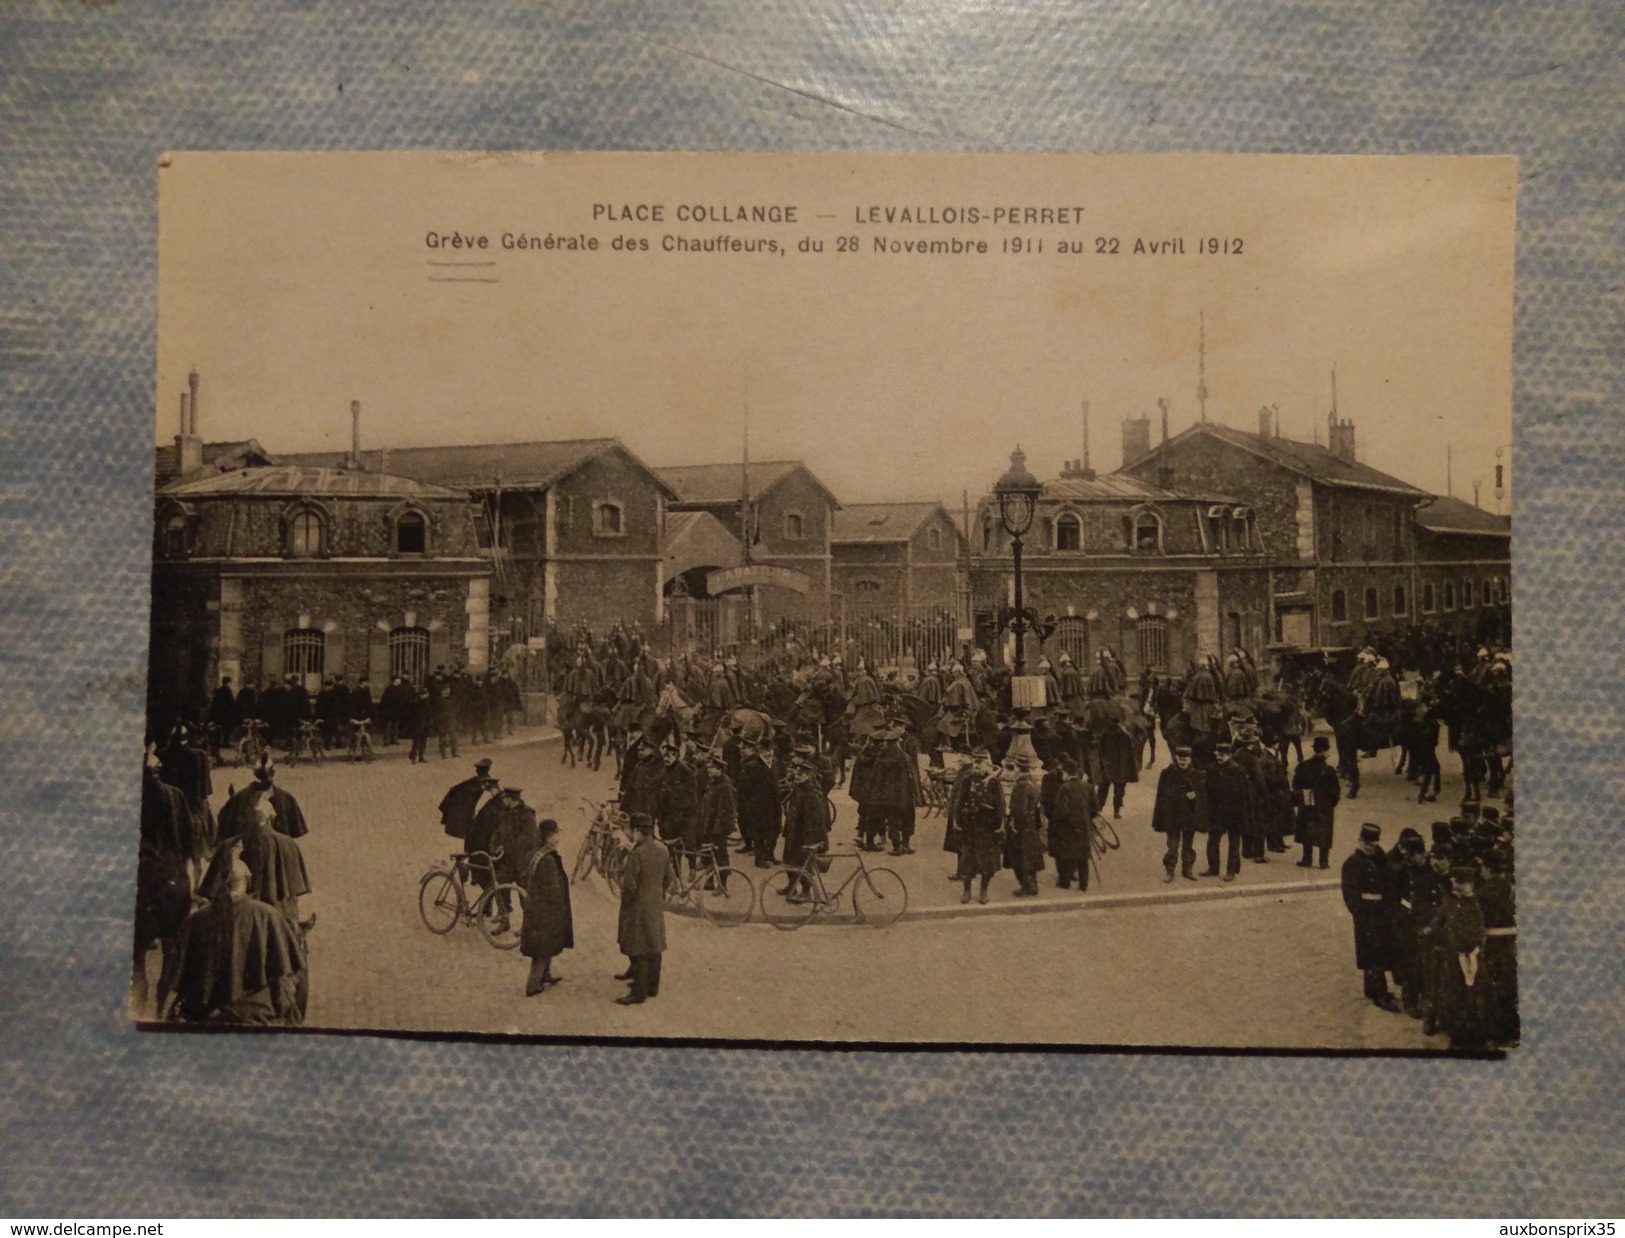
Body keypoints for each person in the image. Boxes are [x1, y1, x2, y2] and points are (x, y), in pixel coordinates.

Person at [163, 843, 307, 1025]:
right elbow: (285, 973)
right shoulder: (267, 914)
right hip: (255, 1013)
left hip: (203, 1013)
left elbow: (178, 980)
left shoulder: (195, 919)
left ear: (220, 882)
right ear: (247, 881)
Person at [1341, 823, 1401, 1011]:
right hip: (1366, 913)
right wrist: (1361, 915)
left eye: (1373, 844)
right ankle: (1380, 994)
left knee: (1378, 950)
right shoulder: (1352, 864)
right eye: (1367, 844)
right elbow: (1350, 894)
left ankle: (1370, 988)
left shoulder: (1379, 858)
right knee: (1373, 952)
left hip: (1380, 911)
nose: (1370, 848)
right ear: (1359, 841)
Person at [614, 813, 670, 1005]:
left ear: (638, 831)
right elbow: (668, 878)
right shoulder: (663, 850)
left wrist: (626, 902)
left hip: (637, 907)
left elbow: (629, 885)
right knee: (654, 945)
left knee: (638, 948)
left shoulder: (637, 854)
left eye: (633, 831)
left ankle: (638, 993)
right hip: (655, 905)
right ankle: (652, 987)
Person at [516, 817, 573, 996]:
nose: (558, 837)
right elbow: (552, 889)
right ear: (549, 836)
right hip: (546, 910)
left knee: (546, 943)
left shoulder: (534, 853)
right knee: (541, 948)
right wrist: (559, 909)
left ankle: (546, 974)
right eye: (557, 833)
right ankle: (533, 984)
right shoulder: (547, 860)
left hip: (535, 906)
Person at [217, 756, 308, 842]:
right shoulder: (287, 799)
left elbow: (223, 828)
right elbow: (296, 832)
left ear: (254, 773)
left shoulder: (238, 798)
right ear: (273, 773)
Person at [956, 748, 1005, 905]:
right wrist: (957, 820)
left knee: (987, 863)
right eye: (976, 761)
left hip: (987, 828)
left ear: (988, 763)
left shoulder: (993, 783)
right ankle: (967, 891)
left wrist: (999, 824)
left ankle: (983, 891)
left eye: (982, 761)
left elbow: (1000, 805)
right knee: (967, 860)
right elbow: (960, 801)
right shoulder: (967, 780)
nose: (978, 764)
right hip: (970, 826)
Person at [1152, 745, 1206, 883]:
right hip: (1173, 815)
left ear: (1190, 759)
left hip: (1189, 816)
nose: (1182, 761)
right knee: (1173, 845)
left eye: (1185, 759)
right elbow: (1161, 796)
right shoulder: (1168, 773)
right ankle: (1170, 870)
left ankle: (1187, 869)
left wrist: (1196, 795)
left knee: (1188, 844)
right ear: (1175, 758)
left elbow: (1203, 795)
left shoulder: (1197, 775)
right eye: (1180, 758)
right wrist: (1159, 818)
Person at [780, 756, 832, 900]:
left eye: (800, 774)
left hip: (804, 836)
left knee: (803, 865)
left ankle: (806, 892)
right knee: (788, 860)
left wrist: (809, 842)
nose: (796, 776)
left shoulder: (811, 795)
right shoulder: (798, 789)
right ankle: (791, 886)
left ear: (808, 776)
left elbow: (813, 821)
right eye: (796, 773)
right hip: (793, 832)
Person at [1202, 741, 1254, 882]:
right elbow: (1205, 790)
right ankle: (1213, 867)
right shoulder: (1210, 769)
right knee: (1212, 841)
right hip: (1216, 811)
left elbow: (1246, 793)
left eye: (1223, 755)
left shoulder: (1239, 770)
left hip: (1234, 812)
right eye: (1218, 754)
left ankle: (1231, 871)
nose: (1220, 757)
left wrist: (1244, 811)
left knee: (1234, 843)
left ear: (1230, 755)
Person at [1047, 754, 1095, 893]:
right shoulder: (1088, 786)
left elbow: (1061, 811)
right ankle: (1083, 884)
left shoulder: (1065, 788)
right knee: (1083, 857)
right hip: (1084, 826)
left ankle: (1065, 882)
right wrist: (1086, 819)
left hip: (1067, 828)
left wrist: (1058, 821)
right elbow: (1094, 808)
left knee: (1066, 855)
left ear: (1066, 772)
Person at [1292, 735, 1341, 869]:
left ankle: (1306, 859)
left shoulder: (1303, 766)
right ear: (1324, 751)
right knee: (1324, 831)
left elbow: (1295, 784)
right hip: (1324, 805)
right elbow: (1336, 791)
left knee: (1307, 829)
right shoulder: (1329, 770)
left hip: (1308, 803)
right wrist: (1330, 802)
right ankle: (1323, 861)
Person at [1006, 754, 1046, 897]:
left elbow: (1019, 810)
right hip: (1031, 825)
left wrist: (1015, 826)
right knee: (1030, 857)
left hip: (1021, 826)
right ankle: (1033, 885)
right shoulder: (1032, 782)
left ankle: (1025, 886)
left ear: (1017, 768)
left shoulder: (1021, 786)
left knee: (1019, 858)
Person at [738, 739, 782, 869]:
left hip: (774, 805)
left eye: (771, 750)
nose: (770, 753)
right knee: (760, 833)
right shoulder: (752, 766)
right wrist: (749, 805)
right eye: (766, 750)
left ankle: (770, 855)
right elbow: (744, 788)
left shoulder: (775, 763)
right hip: (759, 806)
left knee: (775, 830)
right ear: (760, 751)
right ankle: (760, 858)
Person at [438, 758, 497, 843]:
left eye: (478, 769)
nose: (477, 770)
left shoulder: (477, 781)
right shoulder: (484, 782)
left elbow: (456, 789)